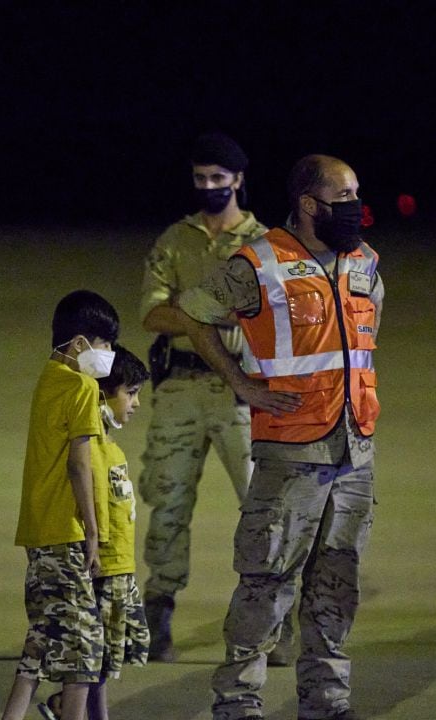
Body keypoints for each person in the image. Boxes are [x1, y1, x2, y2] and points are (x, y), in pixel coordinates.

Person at [178, 154, 384, 720]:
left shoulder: (363, 260)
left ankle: (326, 702)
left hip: (353, 450)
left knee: (337, 584)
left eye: (357, 192)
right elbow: (194, 313)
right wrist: (242, 381)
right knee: (267, 583)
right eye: (345, 196)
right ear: (309, 204)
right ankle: (239, 703)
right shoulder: (259, 263)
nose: (356, 206)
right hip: (291, 450)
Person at [138, 131, 267, 662]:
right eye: (201, 178)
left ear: (238, 180)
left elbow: (269, 316)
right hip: (181, 391)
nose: (209, 187)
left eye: (219, 178)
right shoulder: (175, 239)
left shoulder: (264, 244)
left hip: (243, 391)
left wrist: (188, 314)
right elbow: (150, 314)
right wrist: (217, 314)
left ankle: (268, 622)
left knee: (263, 508)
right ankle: (157, 612)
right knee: (166, 504)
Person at [0, 290, 120, 720]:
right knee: (86, 648)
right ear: (79, 345)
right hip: (66, 528)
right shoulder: (81, 385)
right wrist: (92, 530)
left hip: (38, 528)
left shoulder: (48, 377)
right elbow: (79, 462)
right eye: (105, 345)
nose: (108, 355)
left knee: (43, 638)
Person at [38, 344, 151, 720]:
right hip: (103, 570)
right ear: (102, 394)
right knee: (93, 661)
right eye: (130, 393)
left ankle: (71, 708)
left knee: (102, 664)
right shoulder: (93, 450)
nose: (135, 404)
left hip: (120, 571)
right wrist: (99, 555)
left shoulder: (113, 449)